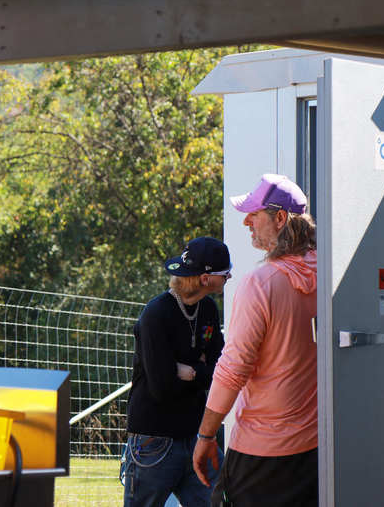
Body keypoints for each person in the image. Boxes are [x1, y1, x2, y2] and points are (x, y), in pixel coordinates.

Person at [192, 174, 318, 507]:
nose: (246, 221)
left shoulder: (260, 284)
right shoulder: (329, 274)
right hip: (316, 452)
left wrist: (206, 435)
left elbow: (233, 369)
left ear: (280, 218)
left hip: (262, 454)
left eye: (254, 213)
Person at [122, 236, 232, 507]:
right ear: (205, 278)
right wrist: (202, 369)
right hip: (154, 440)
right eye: (223, 272)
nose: (229, 275)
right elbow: (161, 386)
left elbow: (221, 367)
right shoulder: (156, 314)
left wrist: (190, 371)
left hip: (195, 435)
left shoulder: (207, 308)